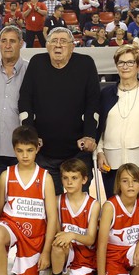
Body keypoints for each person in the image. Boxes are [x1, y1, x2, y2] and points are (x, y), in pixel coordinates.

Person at [19, 27, 100, 194]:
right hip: (44, 151)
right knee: (50, 204)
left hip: (78, 150)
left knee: (78, 202)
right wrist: (32, 136)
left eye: (63, 41)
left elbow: (93, 103)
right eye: (53, 41)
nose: (58, 45)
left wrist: (90, 135)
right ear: (47, 46)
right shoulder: (37, 63)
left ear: (72, 47)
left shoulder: (86, 64)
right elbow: (25, 101)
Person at [0, 126, 57, 275]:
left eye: (30, 150)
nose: (25, 155)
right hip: (11, 224)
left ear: (37, 148)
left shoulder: (45, 178)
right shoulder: (6, 175)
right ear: (14, 150)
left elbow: (53, 218)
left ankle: (24, 265)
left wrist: (46, 252)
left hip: (35, 234)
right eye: (20, 151)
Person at [97, 45, 139, 205]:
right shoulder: (106, 93)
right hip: (112, 161)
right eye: (121, 63)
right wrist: (99, 151)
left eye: (130, 62)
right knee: (115, 210)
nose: (125, 67)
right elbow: (100, 126)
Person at [41, 158, 99, 275]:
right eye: (65, 178)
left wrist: (72, 235)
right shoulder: (57, 200)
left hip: (85, 257)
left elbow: (91, 239)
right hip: (68, 251)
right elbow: (57, 232)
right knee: (58, 243)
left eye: (74, 178)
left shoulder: (94, 204)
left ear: (84, 179)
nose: (69, 182)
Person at [0, 25, 28, 184]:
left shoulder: (31, 70)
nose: (8, 45)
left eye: (12, 41)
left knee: (20, 197)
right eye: (4, 41)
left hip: (23, 148)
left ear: (21, 44)